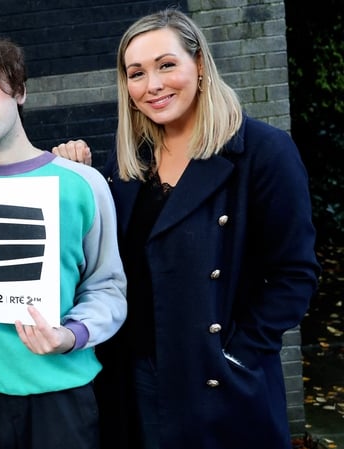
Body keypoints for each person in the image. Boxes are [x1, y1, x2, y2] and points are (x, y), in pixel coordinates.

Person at [67, 8, 319, 449]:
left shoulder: (263, 152)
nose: (153, 85)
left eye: (167, 65)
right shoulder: (126, 165)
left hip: (218, 378)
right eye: (137, 73)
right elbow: (101, 265)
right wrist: (73, 180)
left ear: (199, 64)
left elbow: (294, 275)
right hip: (137, 374)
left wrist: (237, 354)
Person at [0, 33, 126, 449]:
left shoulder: (81, 184)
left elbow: (107, 286)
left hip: (64, 396)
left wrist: (72, 335)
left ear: (17, 89)